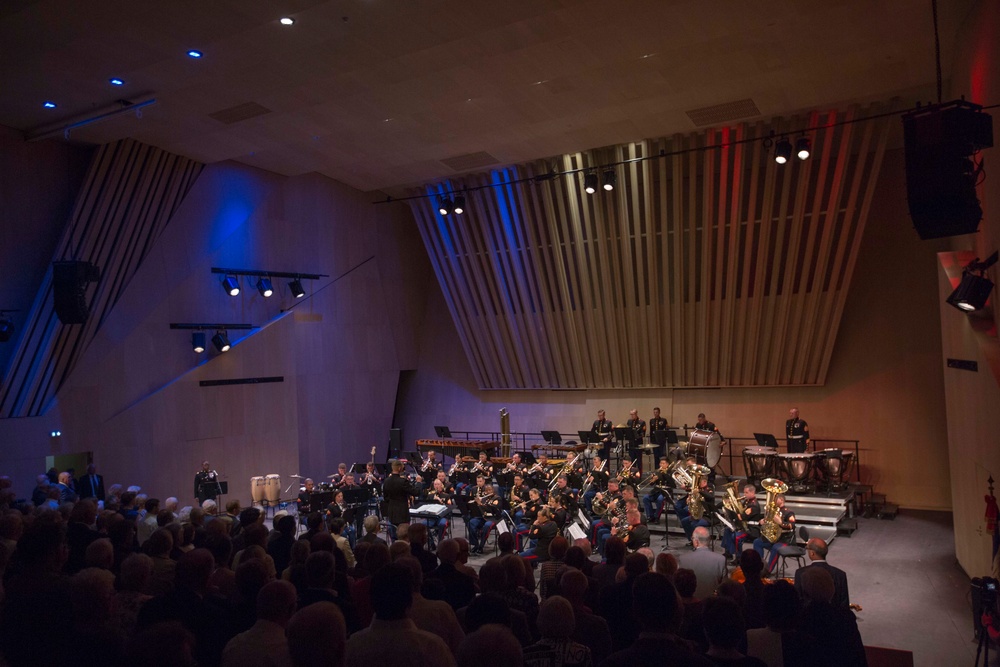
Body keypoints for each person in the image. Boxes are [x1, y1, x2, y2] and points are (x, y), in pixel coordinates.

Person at [794, 537, 850, 610]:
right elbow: (844, 605)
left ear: (812, 553)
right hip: (833, 619)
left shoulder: (800, 573)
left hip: (807, 619)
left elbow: (797, 602)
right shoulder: (840, 575)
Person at [678, 526, 728, 600]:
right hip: (712, 605)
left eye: (692, 538)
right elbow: (724, 587)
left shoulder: (683, 559)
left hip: (690, 604)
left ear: (696, 542)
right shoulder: (721, 560)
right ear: (709, 540)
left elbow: (679, 586)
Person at [752, 494, 795, 573]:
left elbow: (792, 526)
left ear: (781, 500)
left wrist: (781, 523)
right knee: (757, 542)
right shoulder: (773, 511)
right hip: (773, 538)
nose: (774, 501)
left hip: (784, 540)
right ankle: (759, 565)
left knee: (775, 548)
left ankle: (767, 570)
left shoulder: (789, 512)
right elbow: (769, 522)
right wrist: (763, 521)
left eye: (776, 499)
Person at [721, 484, 762, 565]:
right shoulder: (747, 501)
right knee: (727, 530)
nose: (744, 495)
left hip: (751, 529)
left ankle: (739, 558)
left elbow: (742, 517)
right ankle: (728, 553)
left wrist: (734, 512)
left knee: (736, 537)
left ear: (752, 492)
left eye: (746, 493)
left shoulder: (754, 505)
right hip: (744, 526)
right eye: (744, 492)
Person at [382, 459, 414, 540]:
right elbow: (415, 492)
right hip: (402, 512)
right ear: (399, 468)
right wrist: (419, 482)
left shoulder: (386, 481)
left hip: (391, 511)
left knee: (393, 535)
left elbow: (385, 497)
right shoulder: (403, 481)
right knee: (404, 535)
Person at [467, 475, 499, 554]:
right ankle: (475, 544)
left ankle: (481, 546)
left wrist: (480, 504)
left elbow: (492, 510)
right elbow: (481, 510)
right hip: (483, 517)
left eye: (490, 490)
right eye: (487, 490)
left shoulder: (497, 498)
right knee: (471, 522)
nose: (488, 492)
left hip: (492, 518)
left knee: (487, 526)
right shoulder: (484, 498)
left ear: (493, 490)